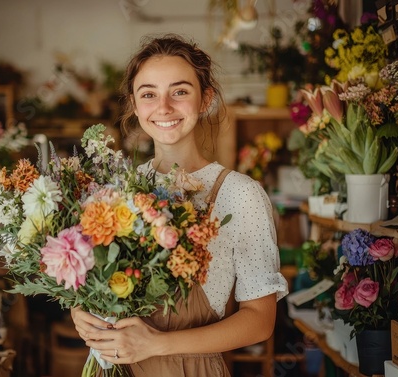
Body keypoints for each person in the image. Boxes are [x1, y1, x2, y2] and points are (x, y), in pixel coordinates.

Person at [71, 34, 288, 377]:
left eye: (180, 91)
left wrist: (155, 344)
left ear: (206, 99)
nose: (164, 107)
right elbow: (95, 286)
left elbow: (260, 322)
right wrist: (81, 313)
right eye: (149, 94)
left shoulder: (240, 195)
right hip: (113, 367)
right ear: (134, 104)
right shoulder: (116, 192)